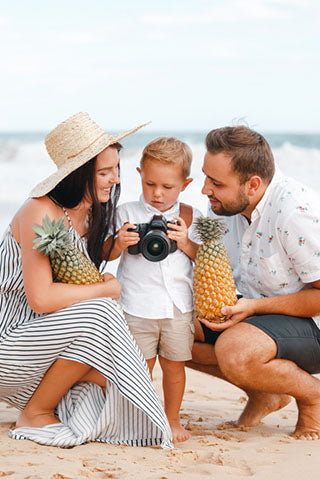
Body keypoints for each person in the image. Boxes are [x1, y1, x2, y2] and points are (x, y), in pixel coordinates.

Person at [0, 112, 173, 448]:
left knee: (110, 378)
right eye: (104, 172)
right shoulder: (40, 211)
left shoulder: (93, 211)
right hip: (10, 342)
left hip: (47, 344)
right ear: (77, 175)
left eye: (117, 169)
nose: (115, 179)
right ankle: (35, 412)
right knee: (103, 312)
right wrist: (107, 288)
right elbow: (41, 299)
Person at [188, 125, 320, 440]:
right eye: (206, 177)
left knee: (235, 352)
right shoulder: (223, 203)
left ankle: (312, 397)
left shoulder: (294, 212)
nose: (206, 189)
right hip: (252, 312)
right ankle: (266, 394)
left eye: (216, 183)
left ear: (253, 184)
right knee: (171, 331)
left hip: (309, 326)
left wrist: (253, 307)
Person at [108, 137, 203, 442]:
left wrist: (185, 241)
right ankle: (139, 418)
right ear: (139, 174)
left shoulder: (190, 217)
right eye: (150, 184)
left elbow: (205, 258)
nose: (158, 193)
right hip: (136, 305)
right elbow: (105, 253)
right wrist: (119, 243)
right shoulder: (125, 213)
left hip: (177, 307)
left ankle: (172, 420)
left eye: (168, 186)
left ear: (185, 184)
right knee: (140, 369)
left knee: (175, 369)